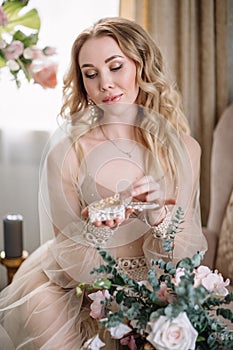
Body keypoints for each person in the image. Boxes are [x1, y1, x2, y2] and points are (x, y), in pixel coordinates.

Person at [0, 17, 207, 349]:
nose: (105, 84)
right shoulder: (67, 152)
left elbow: (182, 260)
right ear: (83, 83)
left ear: (141, 65)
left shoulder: (184, 150)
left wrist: (157, 218)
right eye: (91, 74)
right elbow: (69, 265)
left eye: (115, 67)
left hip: (154, 284)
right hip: (79, 288)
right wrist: (100, 227)